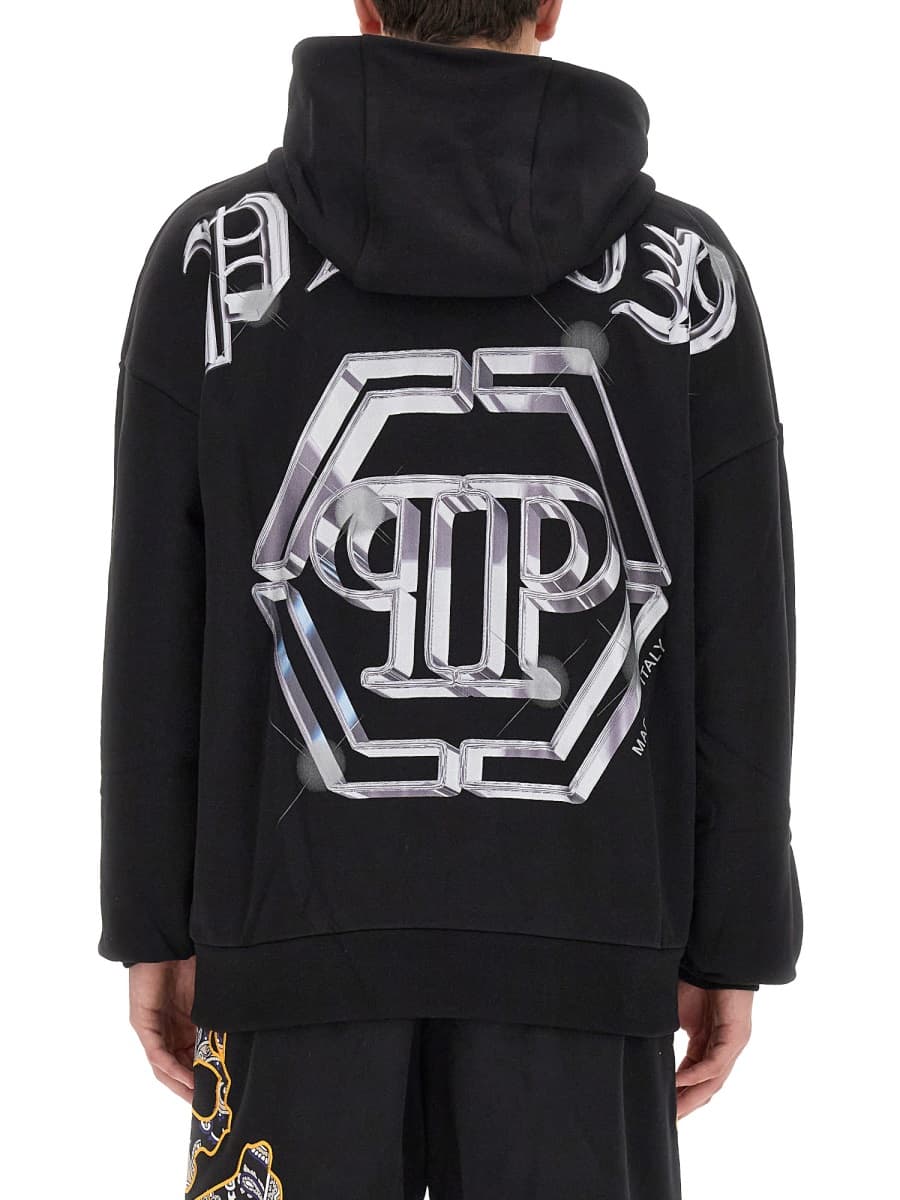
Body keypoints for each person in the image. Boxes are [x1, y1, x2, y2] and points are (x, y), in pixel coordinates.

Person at [98, 1, 803, 1196]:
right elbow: (743, 635)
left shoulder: (211, 259)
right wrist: (735, 933)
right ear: (550, 6)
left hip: (288, 939)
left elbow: (158, 622)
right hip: (586, 949)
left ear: (367, 5)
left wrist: (151, 916)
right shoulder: (690, 281)